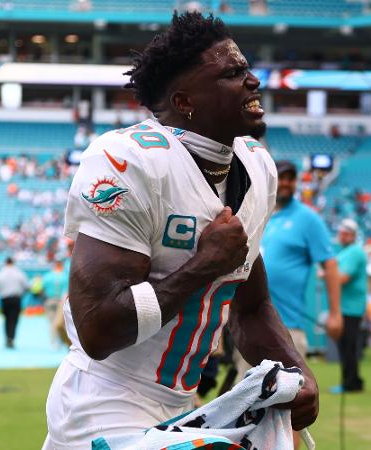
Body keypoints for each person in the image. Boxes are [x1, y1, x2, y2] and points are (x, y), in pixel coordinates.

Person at [43, 12, 318, 449]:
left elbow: (249, 307)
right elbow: (97, 330)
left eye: (246, 69)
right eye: (232, 73)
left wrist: (297, 372)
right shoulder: (128, 160)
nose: (253, 82)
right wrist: (202, 265)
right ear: (185, 100)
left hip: (181, 405)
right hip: (104, 403)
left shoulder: (257, 165)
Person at [260, 160, 342, 449]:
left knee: (287, 416)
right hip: (251, 328)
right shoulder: (260, 212)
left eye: (291, 179)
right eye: (281, 178)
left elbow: (329, 265)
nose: (286, 183)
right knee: (248, 415)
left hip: (287, 331)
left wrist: (335, 313)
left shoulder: (307, 219)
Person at [332, 219, 367, 393]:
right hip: (346, 307)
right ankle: (353, 381)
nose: (342, 236)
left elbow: (342, 278)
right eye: (341, 233)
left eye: (346, 233)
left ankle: (351, 383)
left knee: (348, 347)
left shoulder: (354, 252)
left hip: (350, 308)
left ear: (352, 236)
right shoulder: (346, 251)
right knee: (347, 346)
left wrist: (327, 275)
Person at [0, 257, 29, 349]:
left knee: (6, 319)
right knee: (14, 320)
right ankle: (11, 338)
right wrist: (22, 295)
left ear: (5, 263)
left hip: (4, 300)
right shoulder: (19, 273)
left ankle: (8, 337)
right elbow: (27, 287)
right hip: (16, 299)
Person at [42, 259, 69, 346]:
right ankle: (61, 340)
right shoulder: (65, 276)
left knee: (51, 322)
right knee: (60, 322)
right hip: (61, 301)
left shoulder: (47, 276)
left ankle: (53, 341)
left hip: (49, 300)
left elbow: (41, 288)